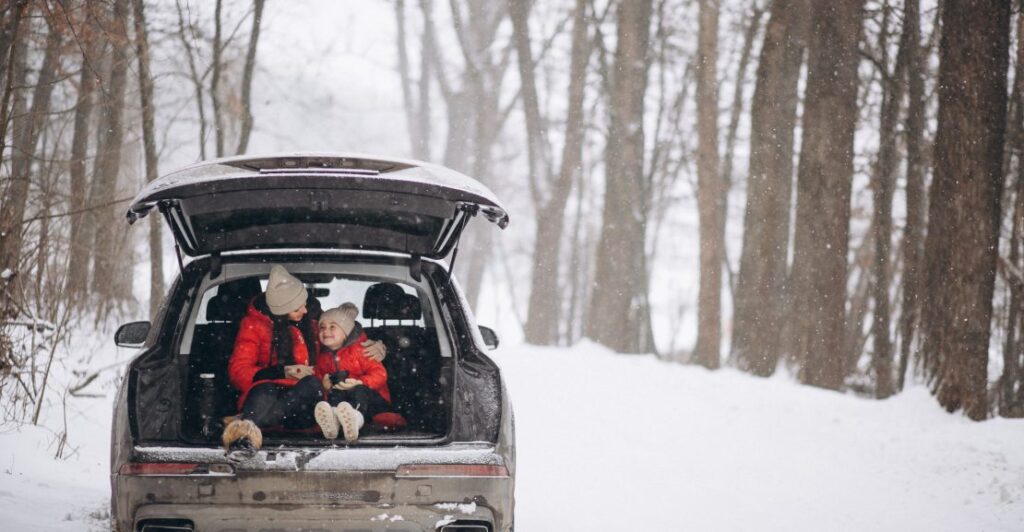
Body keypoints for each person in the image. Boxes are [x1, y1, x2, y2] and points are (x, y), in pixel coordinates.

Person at [220, 265, 388, 452]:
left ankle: (248, 422)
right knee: (264, 389)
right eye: (297, 308)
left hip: (304, 404)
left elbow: (343, 334)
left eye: (305, 304)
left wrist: (376, 345)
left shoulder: (314, 322)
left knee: (311, 384)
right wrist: (281, 372)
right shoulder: (253, 326)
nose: (305, 311)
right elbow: (238, 373)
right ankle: (243, 440)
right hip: (266, 395)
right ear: (281, 311)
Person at [313, 304, 392, 443]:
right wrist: (324, 383)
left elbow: (380, 374)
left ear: (346, 332)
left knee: (359, 391)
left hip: (374, 400)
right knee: (335, 393)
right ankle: (334, 422)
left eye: (333, 327)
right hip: (345, 401)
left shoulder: (362, 350)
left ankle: (355, 419)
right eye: (322, 327)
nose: (326, 331)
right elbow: (318, 374)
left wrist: (361, 382)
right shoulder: (323, 357)